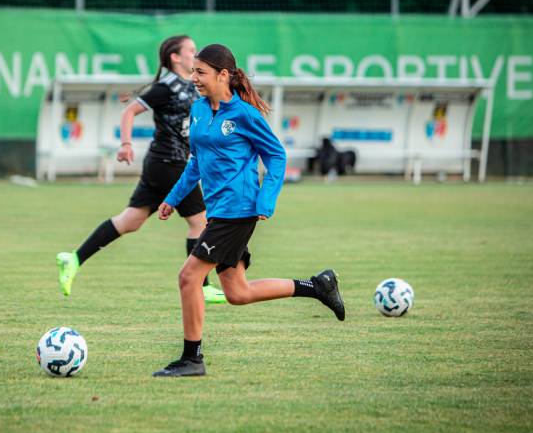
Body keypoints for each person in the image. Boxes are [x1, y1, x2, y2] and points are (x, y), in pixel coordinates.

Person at [152, 43, 346, 377]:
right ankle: (317, 286)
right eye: (193, 71)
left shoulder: (244, 114)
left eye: (201, 72)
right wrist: (172, 197)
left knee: (189, 277)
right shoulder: (198, 110)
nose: (194, 78)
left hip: (238, 210)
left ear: (223, 75)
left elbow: (276, 156)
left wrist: (266, 200)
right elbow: (196, 162)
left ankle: (192, 359)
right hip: (218, 211)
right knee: (237, 293)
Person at [56, 35, 227, 304]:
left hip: (160, 165)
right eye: (191, 51)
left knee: (130, 221)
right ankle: (202, 285)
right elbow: (129, 112)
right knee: (199, 221)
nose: (195, 56)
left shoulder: (190, 85)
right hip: (169, 164)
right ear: (175, 57)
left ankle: (74, 258)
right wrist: (125, 144)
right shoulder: (167, 87)